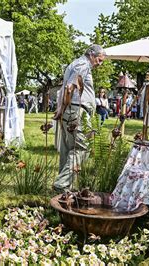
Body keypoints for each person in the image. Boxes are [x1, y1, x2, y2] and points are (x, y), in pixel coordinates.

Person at [52, 44, 106, 192]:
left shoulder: (75, 63)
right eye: (99, 60)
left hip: (70, 110)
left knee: (68, 149)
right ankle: (62, 184)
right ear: (91, 55)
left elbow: (65, 88)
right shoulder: (83, 64)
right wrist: (62, 109)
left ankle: (64, 191)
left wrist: (61, 109)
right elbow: (70, 87)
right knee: (82, 148)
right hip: (76, 110)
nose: (100, 65)